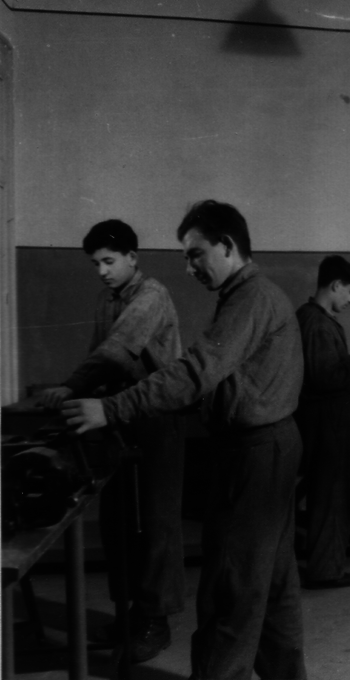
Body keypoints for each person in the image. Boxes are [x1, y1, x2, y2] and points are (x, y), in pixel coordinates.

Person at [63, 200, 307, 680]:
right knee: (273, 588)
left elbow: (197, 371)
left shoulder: (252, 299)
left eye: (195, 254)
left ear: (228, 246)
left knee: (229, 591)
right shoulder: (246, 296)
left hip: (256, 453)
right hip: (267, 447)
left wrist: (111, 407)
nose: (189, 266)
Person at [39, 219, 185, 663]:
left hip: (159, 417)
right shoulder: (108, 299)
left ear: (132, 259)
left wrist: (69, 387)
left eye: (108, 261)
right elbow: (97, 355)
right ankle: (131, 614)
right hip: (121, 416)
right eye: (95, 263)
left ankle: (155, 623)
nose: (101, 271)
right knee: (119, 522)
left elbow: (116, 352)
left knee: (157, 524)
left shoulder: (151, 295)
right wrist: (76, 390)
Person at [295, 255, 350, 589]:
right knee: (330, 498)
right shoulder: (316, 324)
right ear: (334, 286)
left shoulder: (314, 319)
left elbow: (328, 369)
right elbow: (323, 377)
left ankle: (325, 567)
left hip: (325, 421)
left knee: (329, 496)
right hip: (328, 423)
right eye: (349, 291)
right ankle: (325, 571)